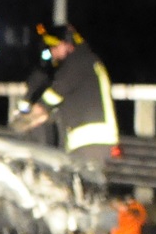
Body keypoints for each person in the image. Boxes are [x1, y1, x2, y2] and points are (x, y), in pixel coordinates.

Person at [13, 21, 118, 169]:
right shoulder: (88, 59)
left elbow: (53, 95)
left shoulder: (77, 62)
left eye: (55, 47)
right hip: (94, 141)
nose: (52, 52)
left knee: (79, 186)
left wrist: (26, 120)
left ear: (68, 44)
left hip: (90, 142)